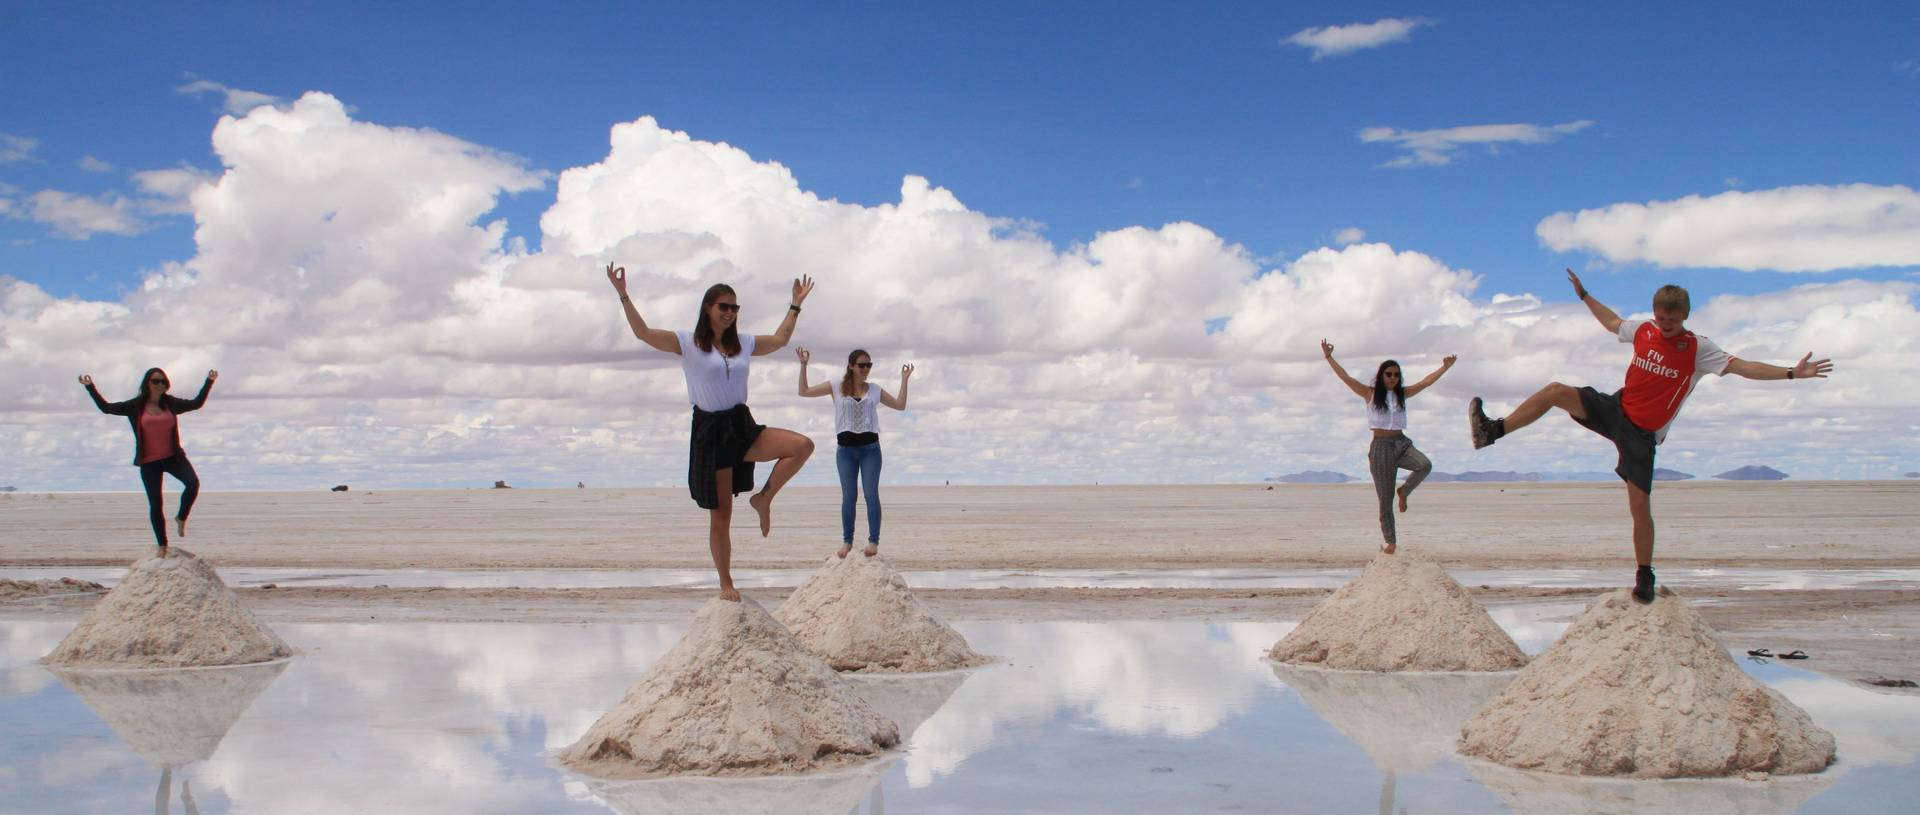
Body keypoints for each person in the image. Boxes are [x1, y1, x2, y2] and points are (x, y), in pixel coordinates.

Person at [1467, 269, 1833, 602]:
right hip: (1615, 410)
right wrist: (1584, 296)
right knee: (1555, 391)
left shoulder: (1698, 349)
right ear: (1654, 314)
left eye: (1673, 320)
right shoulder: (1643, 330)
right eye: (1661, 318)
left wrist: (1790, 373)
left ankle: (1644, 574)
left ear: (1685, 316)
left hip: (1642, 435)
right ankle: (1492, 431)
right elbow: (1612, 323)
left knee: (1639, 507)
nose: (1666, 325)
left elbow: (1744, 367)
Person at [607, 263, 815, 602]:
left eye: (735, 308)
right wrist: (623, 294)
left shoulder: (744, 343)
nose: (730, 313)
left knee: (802, 446)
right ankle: (726, 583)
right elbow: (643, 333)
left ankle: (763, 498)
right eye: (724, 307)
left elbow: (779, 340)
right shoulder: (688, 343)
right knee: (721, 517)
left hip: (741, 424)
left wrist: (795, 305)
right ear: (708, 308)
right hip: (711, 432)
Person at [1320, 340, 1456, 554]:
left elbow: (1425, 382)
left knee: (1424, 465)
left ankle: (1404, 490)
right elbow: (1345, 377)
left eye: (1396, 375)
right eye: (1389, 374)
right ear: (1382, 376)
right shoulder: (1370, 394)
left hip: (1402, 443)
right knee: (1385, 500)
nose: (1393, 378)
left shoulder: (1403, 394)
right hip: (1381, 448)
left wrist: (1444, 368)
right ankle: (1390, 541)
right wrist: (1329, 358)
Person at [80, 367, 218, 552]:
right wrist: (90, 387)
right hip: (149, 462)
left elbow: (196, 403)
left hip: (173, 457)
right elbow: (106, 408)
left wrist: (209, 382)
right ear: (147, 383)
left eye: (163, 381)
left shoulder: (171, 403)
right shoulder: (135, 406)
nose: (160, 384)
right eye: (155, 381)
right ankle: (162, 547)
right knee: (156, 504)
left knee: (193, 483)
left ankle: (181, 517)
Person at [796, 347, 913, 558]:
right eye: (862, 365)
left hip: (870, 450)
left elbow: (900, 405)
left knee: (871, 495)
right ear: (851, 366)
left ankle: (873, 541)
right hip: (845, 451)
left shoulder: (875, 389)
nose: (866, 369)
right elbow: (804, 391)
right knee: (849, 496)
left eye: (869, 365)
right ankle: (847, 542)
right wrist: (804, 365)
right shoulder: (836, 386)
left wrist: (904, 379)